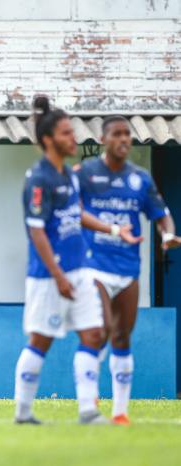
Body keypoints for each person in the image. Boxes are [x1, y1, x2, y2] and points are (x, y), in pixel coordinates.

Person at [14, 96, 140, 425]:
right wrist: (58, 276)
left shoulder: (69, 174)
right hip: (48, 276)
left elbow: (77, 213)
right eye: (67, 133)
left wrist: (114, 229)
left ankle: (88, 410)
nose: (75, 138)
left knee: (95, 334)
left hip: (80, 272)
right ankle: (23, 412)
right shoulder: (38, 178)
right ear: (49, 140)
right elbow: (36, 232)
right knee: (41, 340)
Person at [76, 116, 181, 425]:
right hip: (93, 264)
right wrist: (109, 228)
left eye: (127, 135)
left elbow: (161, 214)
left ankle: (120, 413)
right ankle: (88, 401)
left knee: (122, 336)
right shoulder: (86, 174)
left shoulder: (140, 178)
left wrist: (167, 234)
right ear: (103, 138)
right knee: (100, 329)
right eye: (117, 134)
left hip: (128, 268)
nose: (123, 139)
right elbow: (73, 211)